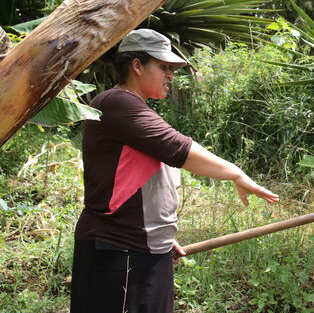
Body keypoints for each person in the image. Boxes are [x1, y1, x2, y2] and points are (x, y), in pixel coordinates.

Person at [70, 28, 279, 313]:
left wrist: (162, 236)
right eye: (164, 67)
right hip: (118, 252)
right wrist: (237, 174)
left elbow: (143, 185)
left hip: (143, 248)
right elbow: (180, 149)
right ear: (137, 66)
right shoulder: (117, 104)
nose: (171, 75)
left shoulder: (135, 109)